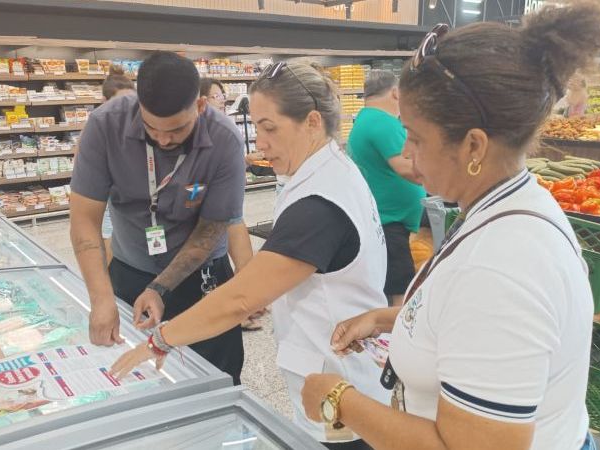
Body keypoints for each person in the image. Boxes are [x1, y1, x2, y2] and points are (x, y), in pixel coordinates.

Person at [300, 2, 600, 449]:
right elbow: (473, 327)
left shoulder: (501, 268)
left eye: (417, 137)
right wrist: (390, 319)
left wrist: (338, 398)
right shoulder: (514, 204)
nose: (407, 154)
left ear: (473, 146)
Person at [111, 61, 390, 449]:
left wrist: (160, 341)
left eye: (270, 128)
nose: (259, 144)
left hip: (340, 394)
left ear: (311, 122)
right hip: (337, 378)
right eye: (256, 126)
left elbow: (239, 300)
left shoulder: (319, 204)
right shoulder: (331, 172)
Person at [70, 51, 246, 384]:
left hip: (202, 278)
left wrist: (160, 287)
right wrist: (101, 297)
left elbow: (210, 232)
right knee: (134, 376)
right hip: (129, 271)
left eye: (176, 130)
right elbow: (84, 220)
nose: (163, 138)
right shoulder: (105, 125)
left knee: (215, 377)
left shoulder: (225, 140)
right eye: (152, 128)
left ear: (200, 107)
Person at [348, 70, 426, 307]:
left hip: (385, 218)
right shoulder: (383, 121)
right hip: (391, 222)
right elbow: (408, 169)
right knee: (400, 290)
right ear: (395, 92)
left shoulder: (365, 118)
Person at [199, 78, 263, 331]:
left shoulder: (223, 129)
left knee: (235, 248)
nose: (222, 99)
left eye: (223, 94)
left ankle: (244, 304)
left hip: (227, 204)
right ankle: (240, 306)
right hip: (213, 207)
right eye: (216, 96)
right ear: (201, 101)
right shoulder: (202, 130)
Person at [98, 66, 136, 265]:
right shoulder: (95, 130)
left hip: (135, 203)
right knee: (111, 252)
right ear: (105, 103)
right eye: (121, 103)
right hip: (108, 200)